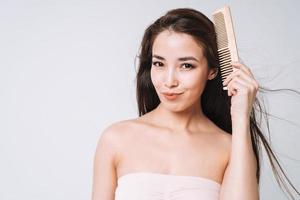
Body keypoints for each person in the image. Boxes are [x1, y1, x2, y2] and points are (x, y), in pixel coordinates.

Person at [91, 8, 299, 200]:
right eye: (159, 63)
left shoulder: (228, 147)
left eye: (186, 65)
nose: (169, 81)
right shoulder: (116, 139)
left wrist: (240, 117)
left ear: (212, 70)